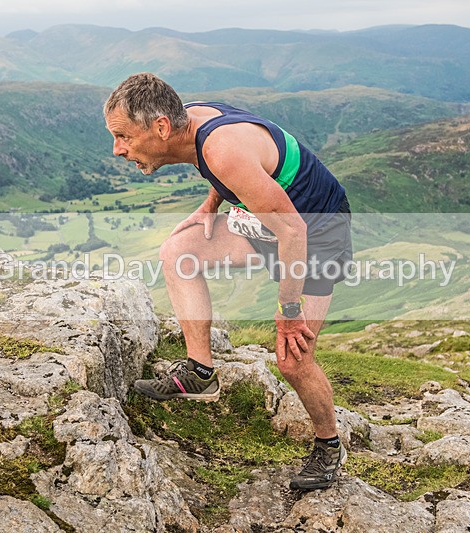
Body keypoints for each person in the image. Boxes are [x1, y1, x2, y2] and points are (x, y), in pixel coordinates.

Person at [103, 73, 353, 491]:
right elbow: (230, 173)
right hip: (267, 222)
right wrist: (209, 205)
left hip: (315, 233)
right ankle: (200, 372)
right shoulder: (192, 121)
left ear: (161, 128)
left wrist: (289, 313)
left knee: (293, 357)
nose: (118, 149)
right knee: (178, 253)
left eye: (123, 136)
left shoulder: (221, 147)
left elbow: (293, 232)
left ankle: (329, 448)